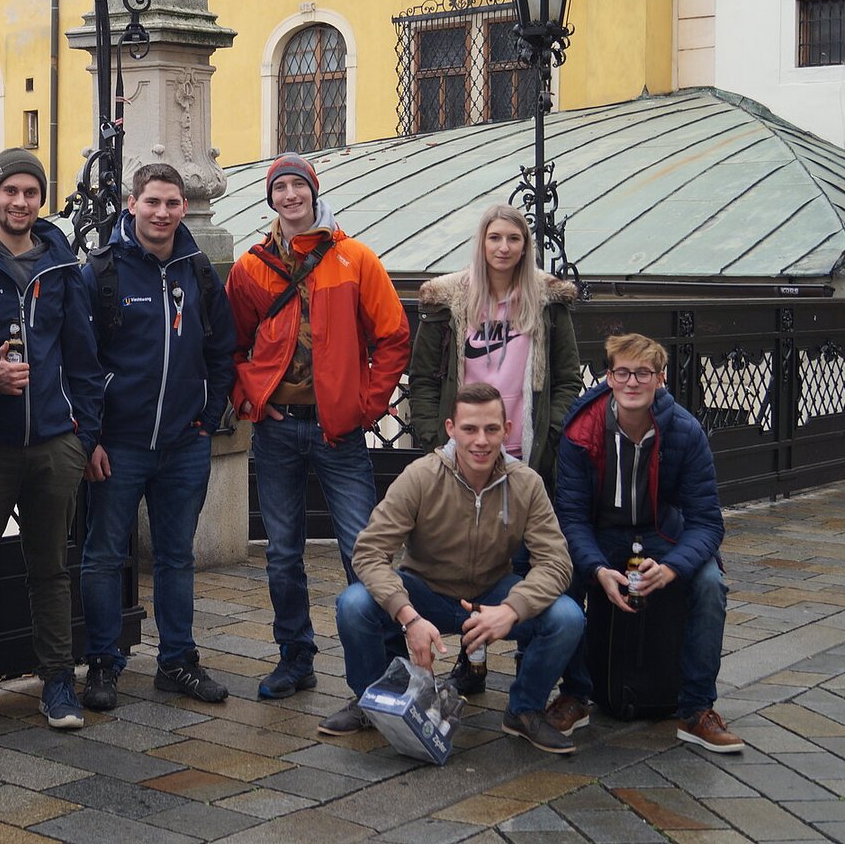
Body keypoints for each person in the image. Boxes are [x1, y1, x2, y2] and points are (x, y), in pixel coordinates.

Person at [225, 151, 410, 700]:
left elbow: (393, 337)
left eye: (297, 186)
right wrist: (251, 397)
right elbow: (230, 344)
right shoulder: (252, 267)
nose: (290, 196)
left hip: (339, 430)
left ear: (313, 191)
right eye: (280, 188)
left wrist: (364, 405)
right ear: (271, 198)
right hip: (278, 428)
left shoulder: (355, 258)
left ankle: (385, 664)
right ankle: (295, 657)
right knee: (282, 552)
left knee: (362, 550)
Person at [331, 383, 586, 754]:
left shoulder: (526, 483)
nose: (481, 440)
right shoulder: (420, 476)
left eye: (491, 429)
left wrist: (511, 610)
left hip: (492, 595)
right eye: (470, 429)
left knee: (568, 617)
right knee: (354, 604)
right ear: (451, 428)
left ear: (507, 430)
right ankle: (372, 702)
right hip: (425, 593)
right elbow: (369, 552)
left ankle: (524, 710)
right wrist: (408, 618)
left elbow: (557, 562)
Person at [0, 148, 105, 731]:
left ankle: (58, 681)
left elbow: (83, 358)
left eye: (31, 193)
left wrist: (81, 434)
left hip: (52, 442)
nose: (20, 202)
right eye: (10, 191)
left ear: (42, 200)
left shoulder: (61, 266)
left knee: (51, 568)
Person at [78, 163, 237, 710]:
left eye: (172, 203)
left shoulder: (198, 270)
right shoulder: (102, 271)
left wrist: (207, 418)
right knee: (103, 555)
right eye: (152, 202)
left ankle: (177, 661)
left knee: (176, 556)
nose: (163, 213)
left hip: (184, 443)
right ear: (132, 204)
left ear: (183, 207)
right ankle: (103, 663)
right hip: (118, 444)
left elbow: (222, 350)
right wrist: (91, 437)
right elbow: (81, 361)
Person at [406, 202, 582, 694]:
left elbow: (568, 378)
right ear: (482, 243)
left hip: (525, 453)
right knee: (470, 563)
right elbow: (423, 378)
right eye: (495, 238)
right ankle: (472, 660)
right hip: (462, 452)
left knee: (525, 563)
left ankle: (531, 663)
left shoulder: (546, 302)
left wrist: (552, 430)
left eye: (514, 238)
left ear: (525, 246)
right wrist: (433, 438)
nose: (504, 248)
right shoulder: (449, 301)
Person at [547, 334, 743, 753]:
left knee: (710, 584)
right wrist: (597, 568)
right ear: (608, 377)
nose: (632, 382)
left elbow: (707, 521)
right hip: (602, 532)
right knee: (563, 576)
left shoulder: (685, 432)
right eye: (622, 372)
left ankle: (697, 709)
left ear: (661, 379)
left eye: (643, 373)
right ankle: (575, 694)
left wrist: (672, 568)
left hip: (664, 533)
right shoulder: (581, 431)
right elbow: (571, 518)